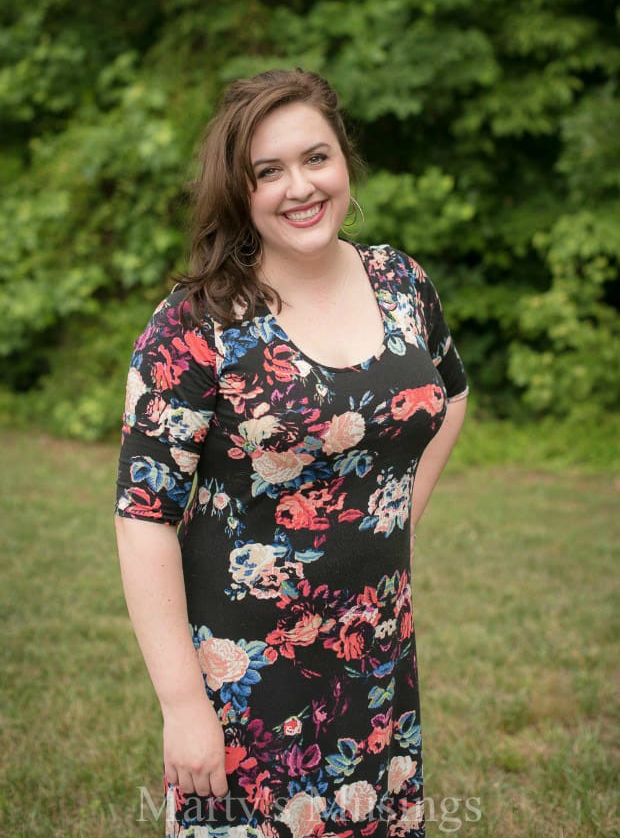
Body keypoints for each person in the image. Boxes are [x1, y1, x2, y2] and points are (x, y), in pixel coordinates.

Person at [115, 68, 469, 838]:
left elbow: (450, 392)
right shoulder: (194, 326)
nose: (298, 187)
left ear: (344, 160)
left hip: (375, 659)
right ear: (237, 192)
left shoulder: (400, 281)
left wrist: (394, 521)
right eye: (266, 171)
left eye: (316, 157)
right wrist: (182, 706)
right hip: (245, 682)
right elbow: (143, 516)